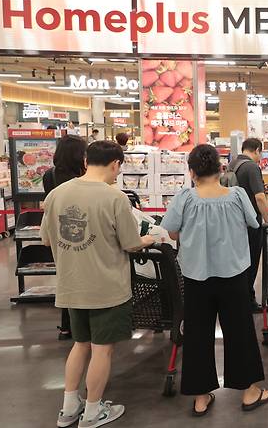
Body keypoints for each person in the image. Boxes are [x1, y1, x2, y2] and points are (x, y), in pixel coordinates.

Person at [41, 141, 155, 428]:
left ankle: (68, 409)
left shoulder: (57, 194)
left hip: (71, 285)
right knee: (102, 349)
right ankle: (92, 412)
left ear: (86, 160)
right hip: (107, 289)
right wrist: (150, 239)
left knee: (80, 345)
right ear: (115, 164)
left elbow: (45, 238)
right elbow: (131, 243)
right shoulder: (114, 198)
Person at [160, 145, 268, 417]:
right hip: (234, 276)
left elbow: (171, 232)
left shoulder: (184, 198)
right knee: (241, 332)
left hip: (197, 278)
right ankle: (249, 391)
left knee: (198, 334)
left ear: (192, 171)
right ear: (221, 169)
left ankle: (200, 396)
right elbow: (253, 223)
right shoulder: (236, 195)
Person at [42, 135, 88, 341]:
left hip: (58, 230)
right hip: (81, 228)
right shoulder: (82, 177)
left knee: (65, 276)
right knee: (84, 275)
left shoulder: (49, 175)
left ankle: (66, 327)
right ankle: (82, 323)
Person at [227, 138, 268, 312]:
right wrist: (267, 219)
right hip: (251, 222)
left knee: (240, 262)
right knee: (252, 261)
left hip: (235, 222)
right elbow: (259, 197)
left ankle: (238, 297)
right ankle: (248, 300)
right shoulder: (252, 167)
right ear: (257, 150)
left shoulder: (233, 164)